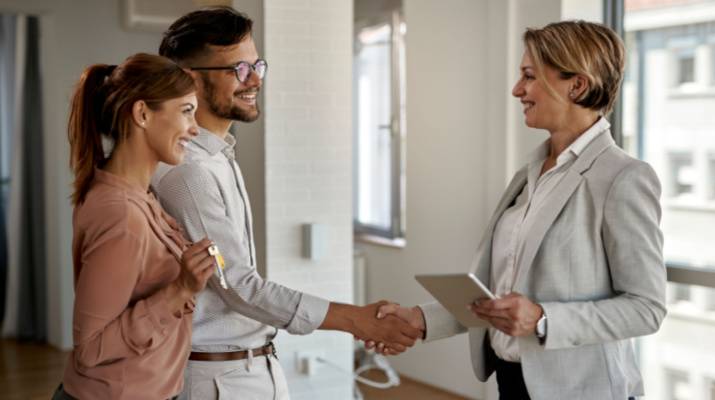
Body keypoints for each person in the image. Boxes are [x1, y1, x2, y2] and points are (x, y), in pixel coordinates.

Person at [374, 20, 667, 400]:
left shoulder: (623, 177)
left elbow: (646, 308)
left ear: (576, 85)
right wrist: (421, 319)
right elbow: (502, 297)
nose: (517, 90)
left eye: (528, 76)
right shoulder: (530, 173)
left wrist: (544, 319)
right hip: (512, 382)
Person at [152, 7, 423, 399]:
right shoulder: (189, 173)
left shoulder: (218, 156)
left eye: (257, 65)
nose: (256, 79)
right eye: (238, 70)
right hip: (216, 380)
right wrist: (355, 320)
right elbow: (239, 287)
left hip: (247, 367)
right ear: (189, 78)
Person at [54, 53, 217, 400]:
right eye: (186, 111)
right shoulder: (120, 213)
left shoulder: (137, 195)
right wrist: (180, 290)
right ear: (142, 114)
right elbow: (91, 347)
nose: (195, 128)